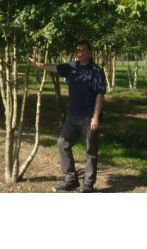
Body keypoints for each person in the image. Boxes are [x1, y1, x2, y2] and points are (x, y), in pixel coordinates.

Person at [29, 40, 106, 193]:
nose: (81, 53)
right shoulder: (72, 67)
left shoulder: (96, 71)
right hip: (73, 115)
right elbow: (54, 68)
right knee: (62, 143)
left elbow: (100, 95)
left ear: (89, 52)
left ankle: (88, 184)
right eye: (78, 50)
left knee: (91, 151)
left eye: (84, 50)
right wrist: (38, 64)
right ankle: (71, 179)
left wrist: (95, 117)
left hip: (88, 116)